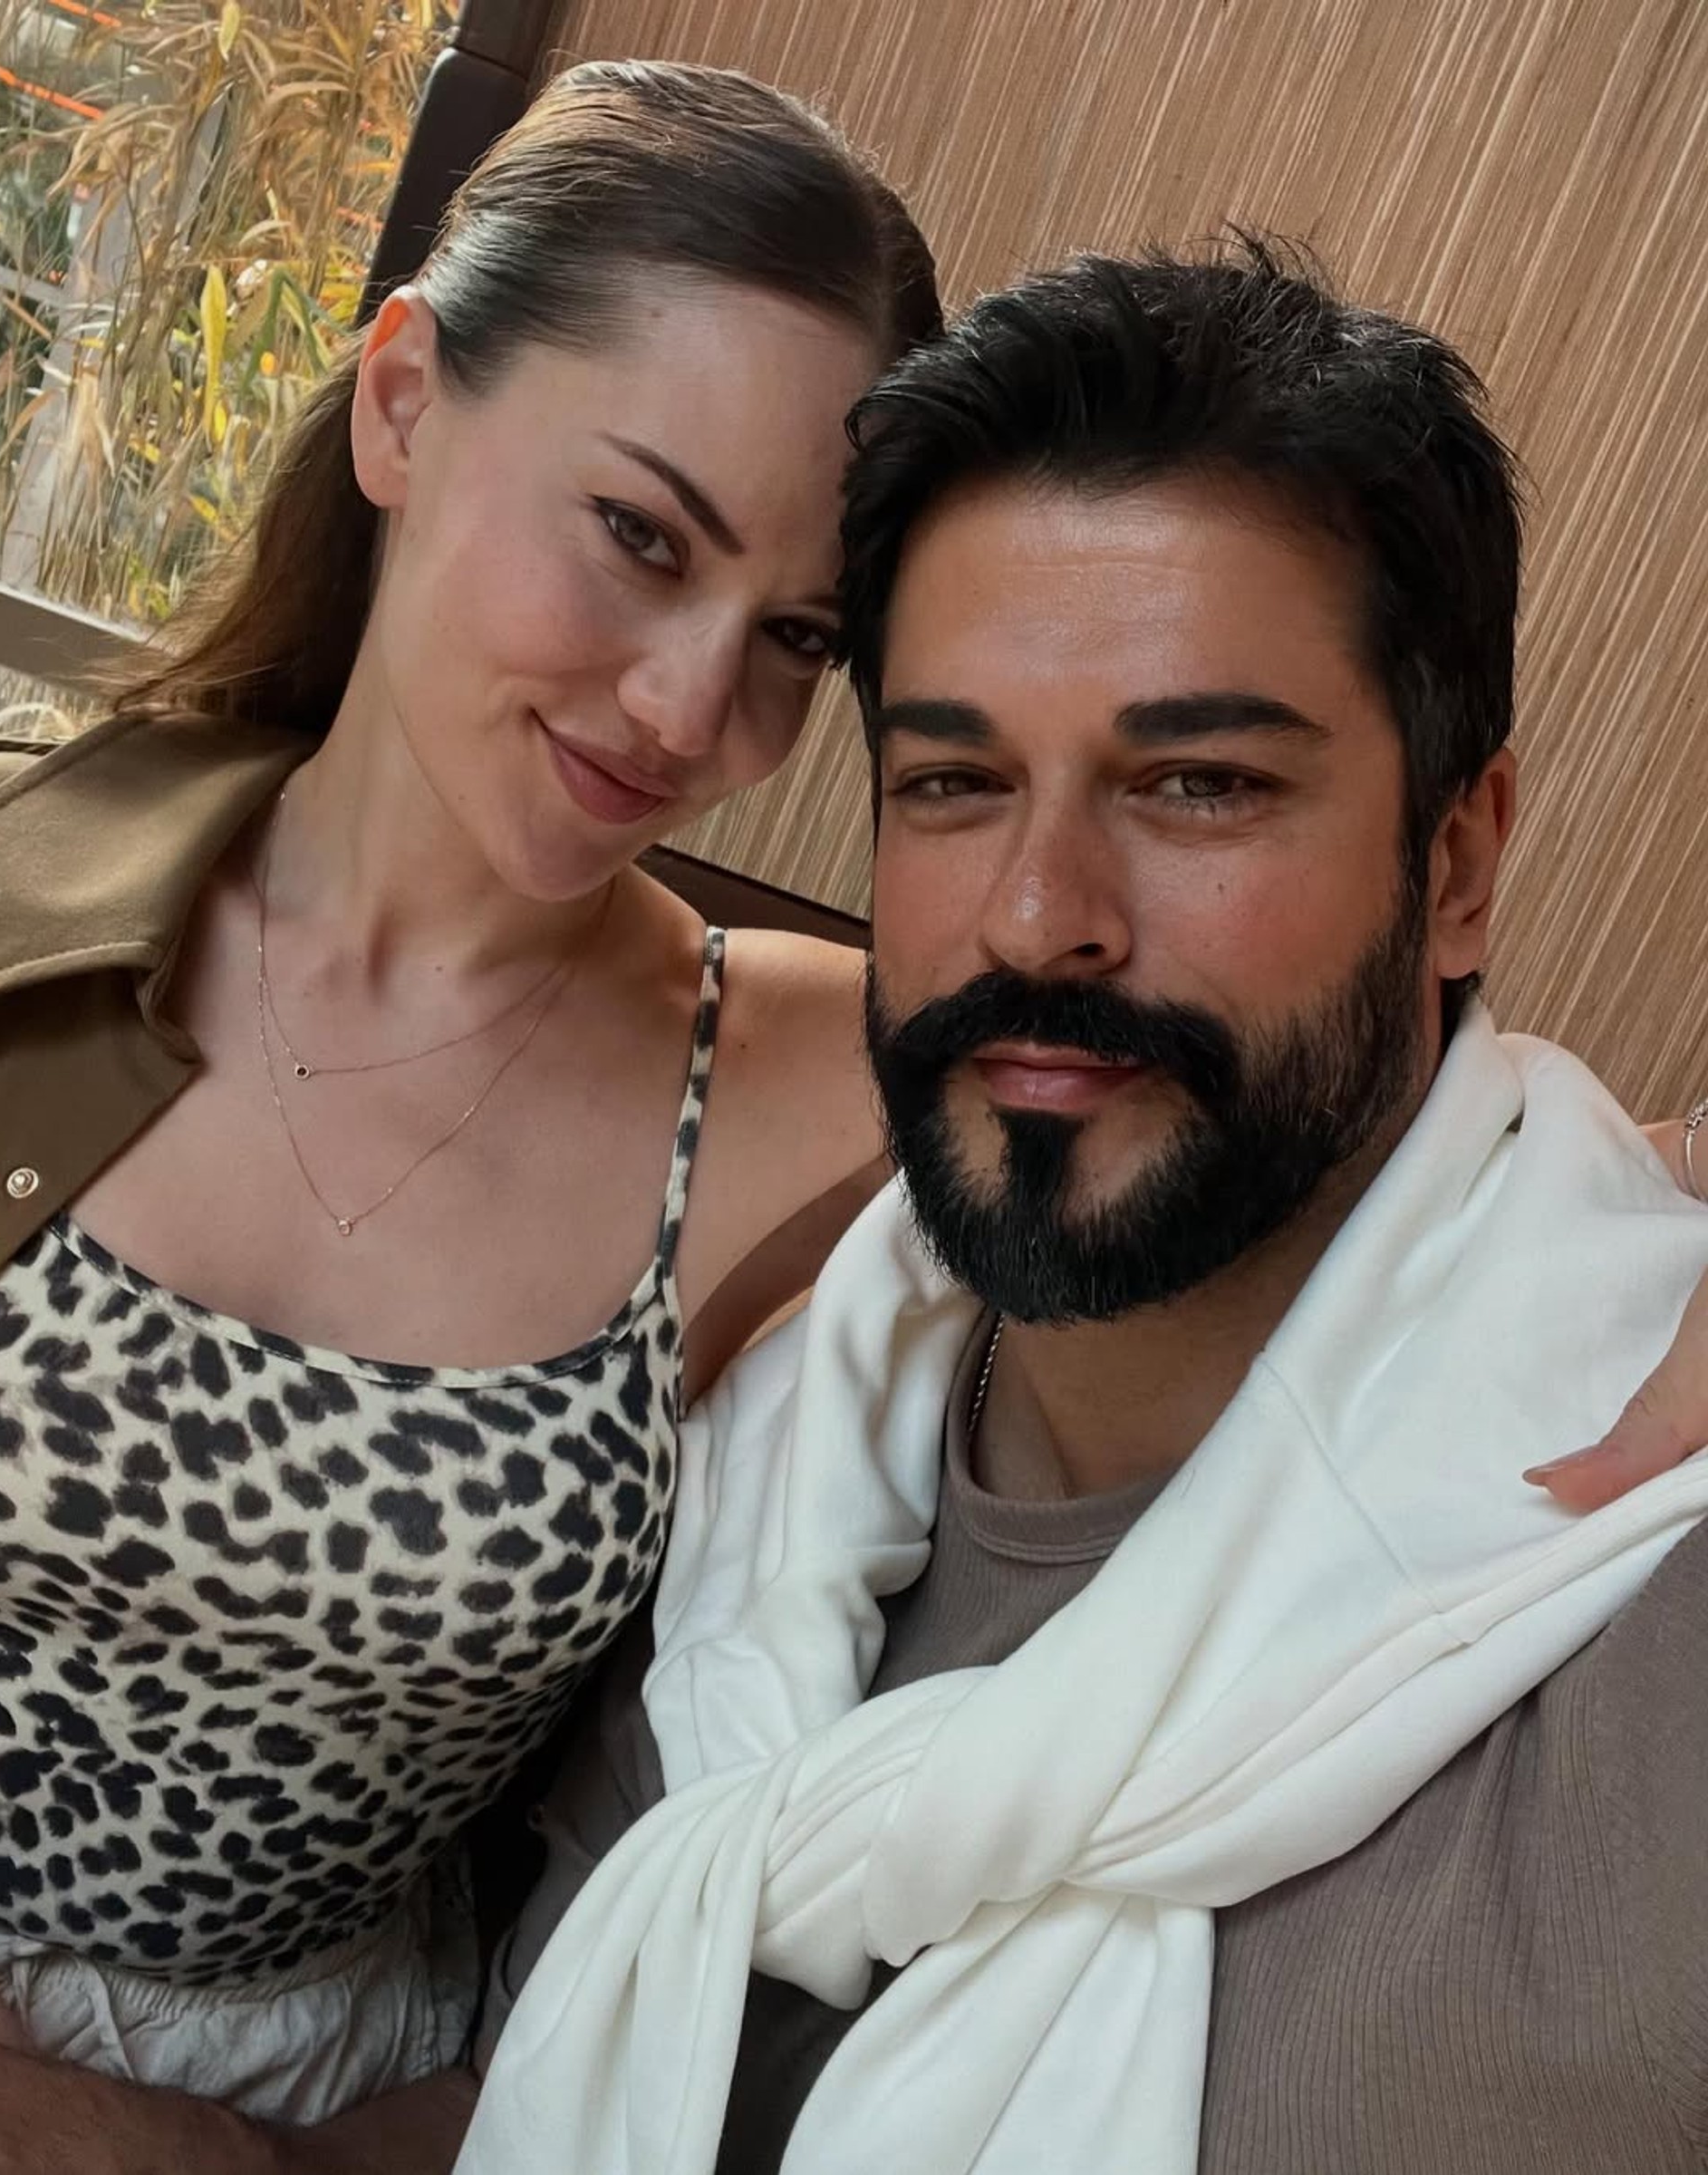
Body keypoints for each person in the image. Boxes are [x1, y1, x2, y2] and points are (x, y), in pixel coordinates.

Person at [466, 242, 1708, 2175]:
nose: (1041, 918)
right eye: (955, 782)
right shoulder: (746, 1472)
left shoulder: (1645, 1605)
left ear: (1459, 866)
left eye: (1198, 784)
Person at [0, 55, 938, 2164]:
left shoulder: (799, 1088)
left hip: (319, 2114)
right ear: (404, 403)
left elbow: (1341, 1156)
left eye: (798, 638)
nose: (693, 711)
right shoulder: (4, 885)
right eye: (638, 537)